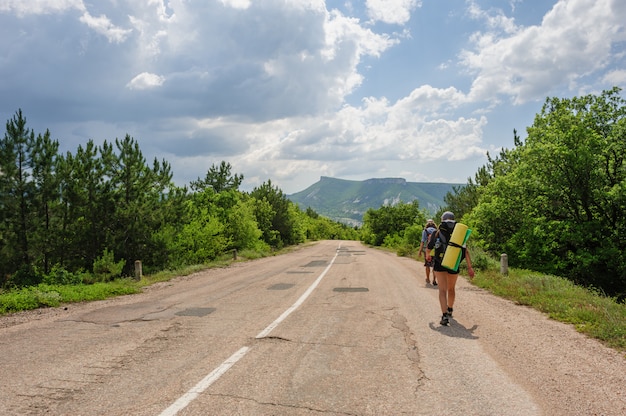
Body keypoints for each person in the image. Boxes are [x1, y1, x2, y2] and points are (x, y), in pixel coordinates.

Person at [426, 211, 475, 326]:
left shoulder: (437, 232)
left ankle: (444, 316)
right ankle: (450, 309)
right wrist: (470, 267)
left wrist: (428, 256)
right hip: (454, 263)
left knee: (442, 290)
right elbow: (466, 251)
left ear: (442, 220)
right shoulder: (459, 234)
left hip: (439, 263)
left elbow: (429, 248)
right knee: (451, 289)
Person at [418, 219, 438, 285]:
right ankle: (434, 280)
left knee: (427, 265)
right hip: (435, 250)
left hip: (427, 250)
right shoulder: (437, 231)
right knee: (435, 265)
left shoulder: (425, 231)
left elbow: (422, 242)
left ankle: (428, 278)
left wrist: (420, 251)